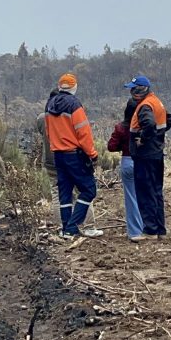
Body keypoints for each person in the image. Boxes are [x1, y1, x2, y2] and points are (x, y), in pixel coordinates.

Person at [44, 74, 103, 238]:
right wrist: (93, 154)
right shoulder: (75, 105)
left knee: (65, 193)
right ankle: (71, 226)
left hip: (58, 155)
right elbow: (84, 132)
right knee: (89, 190)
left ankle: (65, 229)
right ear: (74, 87)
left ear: (59, 86)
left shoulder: (49, 105)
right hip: (74, 155)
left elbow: (49, 132)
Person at [124, 75, 171, 239]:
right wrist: (159, 136)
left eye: (133, 89)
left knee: (145, 192)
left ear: (140, 90)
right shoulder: (156, 102)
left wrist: (143, 139)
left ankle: (150, 229)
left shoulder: (145, 106)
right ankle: (160, 229)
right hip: (156, 153)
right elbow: (169, 119)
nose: (132, 92)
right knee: (156, 191)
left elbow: (150, 125)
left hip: (145, 156)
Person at [107, 99, 144, 242]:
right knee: (146, 195)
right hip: (143, 161)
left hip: (128, 161)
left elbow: (111, 146)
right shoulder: (143, 127)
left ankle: (135, 232)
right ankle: (150, 228)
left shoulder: (121, 128)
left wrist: (122, 146)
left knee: (131, 198)